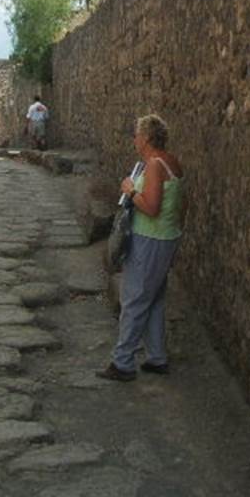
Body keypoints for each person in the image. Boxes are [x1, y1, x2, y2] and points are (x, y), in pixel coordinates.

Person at [97, 113, 184, 381]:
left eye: (136, 134)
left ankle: (122, 363)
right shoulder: (172, 162)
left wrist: (131, 191)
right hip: (165, 237)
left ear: (146, 138)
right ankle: (157, 357)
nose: (134, 139)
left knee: (134, 300)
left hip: (150, 239)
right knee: (154, 299)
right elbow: (183, 205)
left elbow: (152, 207)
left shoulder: (155, 165)